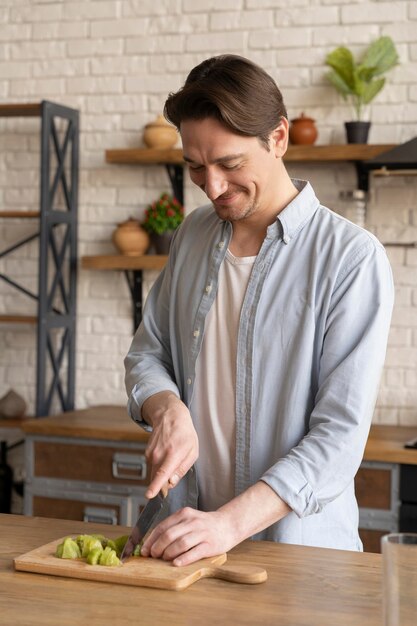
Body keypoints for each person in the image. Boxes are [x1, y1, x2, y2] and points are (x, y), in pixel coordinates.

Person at [124, 54, 394, 567]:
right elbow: (147, 353)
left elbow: (338, 439)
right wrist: (167, 409)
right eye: (196, 167)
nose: (214, 185)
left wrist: (227, 525)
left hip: (301, 566)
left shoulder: (351, 259)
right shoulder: (191, 237)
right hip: (186, 553)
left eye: (230, 164)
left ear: (278, 138)